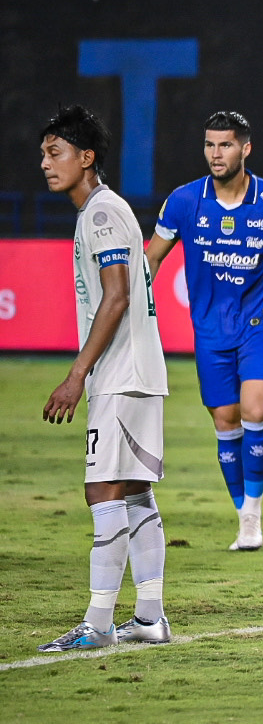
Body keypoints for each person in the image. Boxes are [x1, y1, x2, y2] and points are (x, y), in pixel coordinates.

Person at [145, 112, 263, 552]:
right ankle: (242, 514)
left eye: (224, 145)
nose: (215, 154)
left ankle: (253, 516)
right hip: (209, 330)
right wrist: (127, 302)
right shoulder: (185, 202)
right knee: (225, 420)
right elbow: (152, 258)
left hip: (261, 326)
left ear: (245, 149)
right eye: (209, 145)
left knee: (254, 410)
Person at [37, 105, 172, 651]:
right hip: (139, 371)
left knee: (103, 492)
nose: (44, 163)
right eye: (43, 153)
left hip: (121, 374)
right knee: (135, 493)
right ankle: (148, 617)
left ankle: (96, 626)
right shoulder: (105, 210)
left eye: (55, 152)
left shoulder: (100, 213)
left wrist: (76, 375)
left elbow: (115, 297)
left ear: (86, 157)